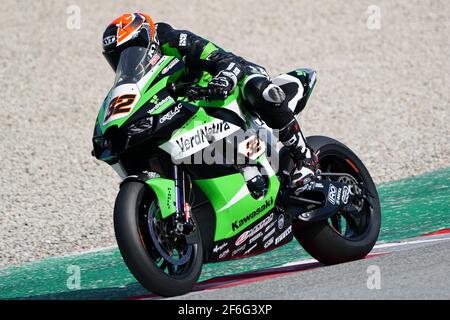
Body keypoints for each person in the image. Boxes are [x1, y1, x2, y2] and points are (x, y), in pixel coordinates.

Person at [102, 12, 317, 187]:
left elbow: (222, 57)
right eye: (118, 58)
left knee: (259, 90)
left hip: (230, 82)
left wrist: (225, 78)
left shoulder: (173, 40)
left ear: (147, 40)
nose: (126, 61)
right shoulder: (136, 81)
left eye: (131, 52)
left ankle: (305, 157)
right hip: (196, 106)